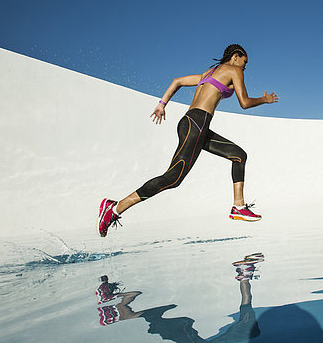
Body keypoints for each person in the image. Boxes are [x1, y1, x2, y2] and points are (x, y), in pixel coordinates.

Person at [97, 44, 279, 237]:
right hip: (197, 124)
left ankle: (238, 207)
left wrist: (162, 104)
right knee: (172, 178)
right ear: (236, 56)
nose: (245, 67)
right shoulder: (234, 70)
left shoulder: (208, 74)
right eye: (245, 62)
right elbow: (244, 102)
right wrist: (264, 100)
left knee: (238, 156)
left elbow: (177, 81)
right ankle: (115, 208)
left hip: (192, 124)